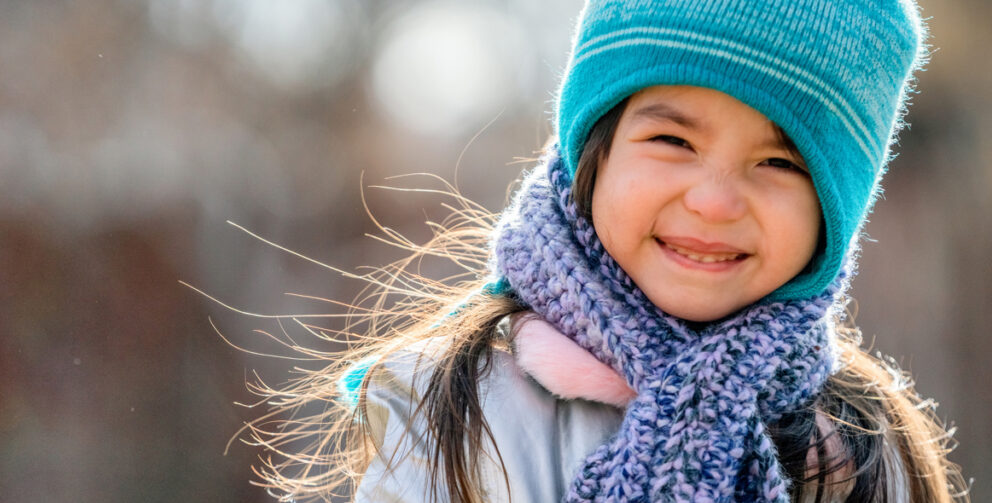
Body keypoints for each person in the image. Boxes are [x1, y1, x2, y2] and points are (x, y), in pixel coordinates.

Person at [245, 1, 969, 501]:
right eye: (673, 141)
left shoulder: (863, 453)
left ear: (834, 216)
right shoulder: (457, 411)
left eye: (781, 164)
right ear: (592, 152)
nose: (715, 200)